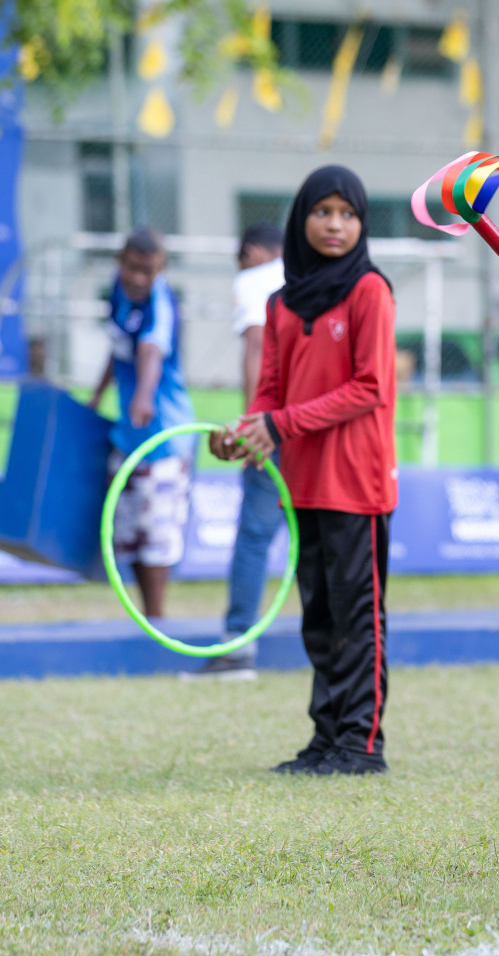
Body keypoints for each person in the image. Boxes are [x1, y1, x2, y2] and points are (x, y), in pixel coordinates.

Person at [212, 167, 397, 776]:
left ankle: (361, 743)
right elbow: (269, 391)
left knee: (357, 615)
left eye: (348, 213)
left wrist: (280, 424)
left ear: (361, 223)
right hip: (304, 485)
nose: (336, 224)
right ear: (302, 219)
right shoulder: (280, 303)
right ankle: (325, 738)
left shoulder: (370, 290)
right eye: (324, 212)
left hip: (358, 483)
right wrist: (244, 432)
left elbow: (369, 386)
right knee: (319, 618)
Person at [184, 223, 286, 681]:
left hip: (278, 424)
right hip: (321, 420)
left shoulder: (254, 280)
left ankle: (238, 646)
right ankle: (349, 644)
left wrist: (252, 424)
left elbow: (256, 345)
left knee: (254, 536)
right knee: (327, 534)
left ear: (253, 253)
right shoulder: (314, 275)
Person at [91, 227, 196, 622]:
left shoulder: (162, 300)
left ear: (160, 270)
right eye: (133, 268)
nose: (139, 278)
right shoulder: (117, 291)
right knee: (127, 531)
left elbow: (151, 350)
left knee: (156, 533)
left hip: (164, 435)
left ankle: (157, 619)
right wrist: (100, 393)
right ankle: (146, 616)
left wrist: (144, 395)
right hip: (128, 433)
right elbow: (119, 347)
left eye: (147, 271)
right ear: (121, 263)